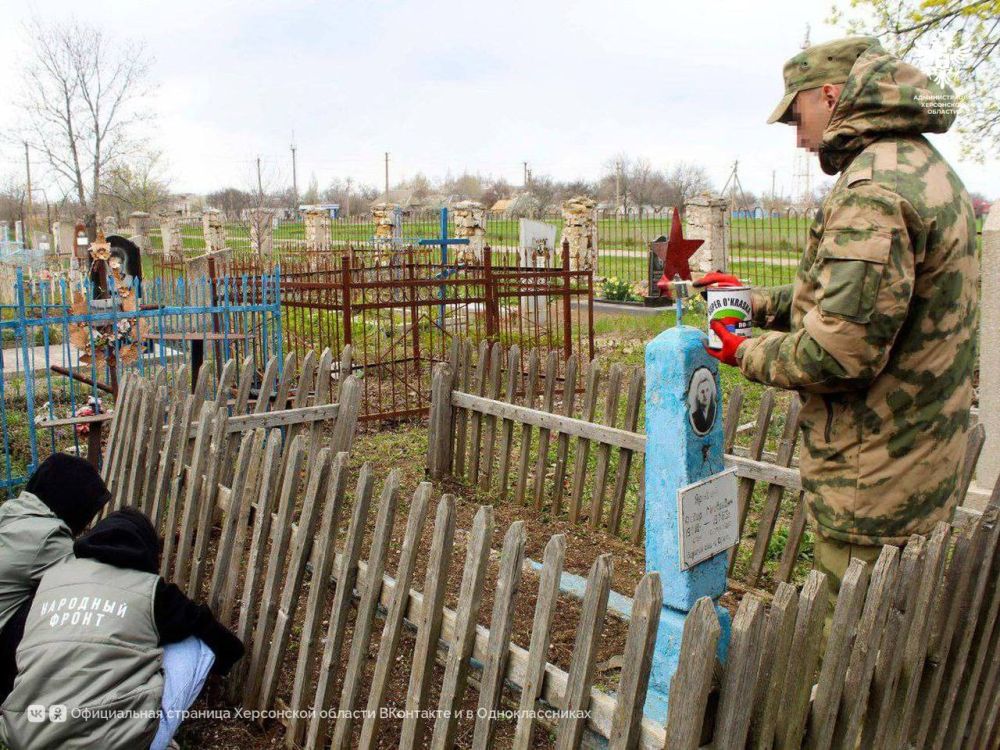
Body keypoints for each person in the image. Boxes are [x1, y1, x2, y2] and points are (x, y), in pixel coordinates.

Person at [698, 36, 978, 606]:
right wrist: (755, 302)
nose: (799, 139)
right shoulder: (922, 166)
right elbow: (868, 299)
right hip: (919, 460)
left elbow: (837, 352)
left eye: (796, 116)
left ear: (829, 95)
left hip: (871, 480)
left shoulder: (871, 190)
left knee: (849, 655)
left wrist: (742, 349)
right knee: (896, 632)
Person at [0, 507, 244, 750]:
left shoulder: (51, 582)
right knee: (195, 643)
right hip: (112, 743)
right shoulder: (151, 590)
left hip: (29, 735)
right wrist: (229, 661)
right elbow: (209, 630)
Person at [0, 453, 111, 702]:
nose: (86, 525)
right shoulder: (47, 536)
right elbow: (96, 583)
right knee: (70, 606)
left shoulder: (12, 514)